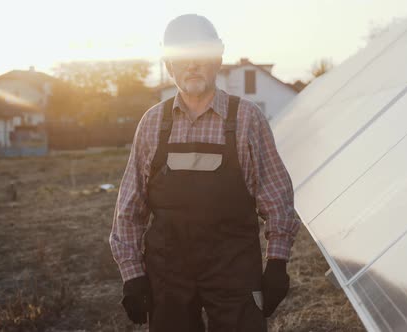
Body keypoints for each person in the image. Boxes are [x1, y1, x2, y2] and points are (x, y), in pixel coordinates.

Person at [109, 13, 301, 331]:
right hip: (168, 274)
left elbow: (276, 197)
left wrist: (277, 264)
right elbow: (129, 210)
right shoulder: (153, 124)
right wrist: (133, 275)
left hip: (234, 271)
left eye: (201, 54)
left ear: (217, 57)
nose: (192, 65)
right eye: (182, 57)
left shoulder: (246, 120)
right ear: (169, 64)